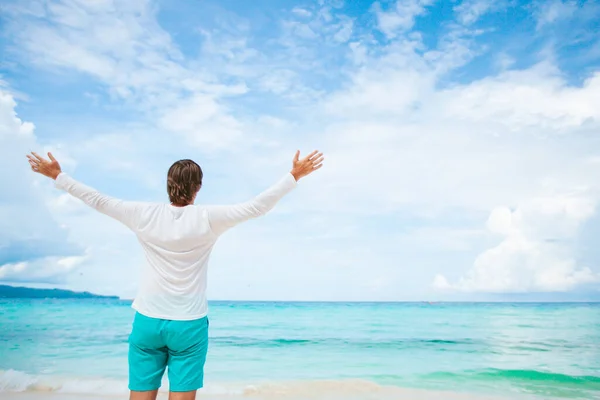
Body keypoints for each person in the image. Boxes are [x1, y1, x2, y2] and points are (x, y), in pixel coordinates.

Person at [26, 149, 324, 400]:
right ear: (198, 187)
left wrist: (58, 176)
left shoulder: (143, 214)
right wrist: (294, 175)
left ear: (168, 185)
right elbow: (257, 206)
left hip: (147, 320)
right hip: (189, 325)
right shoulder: (209, 218)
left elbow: (97, 200)